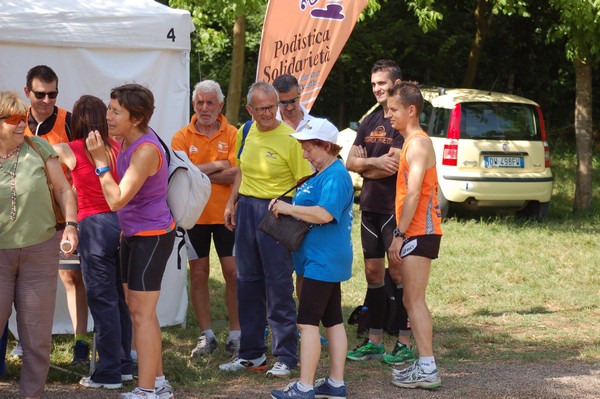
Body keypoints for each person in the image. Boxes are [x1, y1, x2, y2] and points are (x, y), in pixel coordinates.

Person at [86, 84, 175, 399]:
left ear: (136, 118)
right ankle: (159, 382)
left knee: (141, 313)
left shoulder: (146, 150)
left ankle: (147, 389)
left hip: (151, 237)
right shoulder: (128, 141)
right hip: (133, 235)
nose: (107, 116)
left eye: (115, 111)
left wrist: (100, 162)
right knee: (139, 311)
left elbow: (117, 199)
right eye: (110, 109)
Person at [219, 81, 312, 377]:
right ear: (250, 109)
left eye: (274, 106)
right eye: (262, 109)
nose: (270, 113)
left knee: (278, 285)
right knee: (246, 282)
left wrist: (294, 215)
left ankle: (285, 355)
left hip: (278, 211)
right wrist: (232, 202)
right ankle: (251, 354)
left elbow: (306, 183)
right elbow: (241, 170)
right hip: (246, 208)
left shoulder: (291, 138)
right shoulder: (244, 132)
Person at [0, 90, 78, 399]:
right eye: (14, 119)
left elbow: (64, 190)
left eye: (24, 119)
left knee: (36, 337)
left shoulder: (39, 146)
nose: (22, 125)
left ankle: (32, 395)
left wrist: (71, 226)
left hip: (40, 251)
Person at [269, 119, 354, 399]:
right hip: (320, 259)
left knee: (307, 324)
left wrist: (289, 209)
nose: (305, 154)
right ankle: (335, 383)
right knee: (332, 321)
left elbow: (325, 214)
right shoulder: (324, 173)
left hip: (323, 260)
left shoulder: (335, 175)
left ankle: (305, 387)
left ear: (328, 146)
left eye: (309, 148)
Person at [53, 95, 133, 389]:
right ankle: (124, 364)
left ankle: (108, 371)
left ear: (75, 122)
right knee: (120, 299)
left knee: (102, 301)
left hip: (94, 228)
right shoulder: (119, 147)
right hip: (123, 226)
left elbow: (39, 149)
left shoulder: (70, 150)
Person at [345, 60, 415, 365]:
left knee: (399, 273)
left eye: (382, 84)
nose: (377, 89)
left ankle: (403, 340)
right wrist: (372, 165)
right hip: (369, 208)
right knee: (373, 273)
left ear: (396, 84)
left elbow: (396, 165)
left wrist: (365, 165)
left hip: (393, 210)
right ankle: (373, 340)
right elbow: (350, 162)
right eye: (373, 84)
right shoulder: (370, 121)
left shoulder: (402, 124)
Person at [22, 65, 89, 365]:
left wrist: (73, 215)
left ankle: (80, 342)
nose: (46, 100)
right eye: (40, 94)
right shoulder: (14, 121)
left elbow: (83, 166)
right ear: (28, 92)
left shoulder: (70, 121)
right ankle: (28, 343)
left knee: (72, 276)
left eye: (53, 94)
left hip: (64, 216)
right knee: (23, 281)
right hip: (25, 217)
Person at [171, 80, 240, 357]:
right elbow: (181, 176)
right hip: (193, 217)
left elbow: (238, 174)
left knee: (233, 274)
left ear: (220, 105)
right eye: (199, 102)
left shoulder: (233, 133)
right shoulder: (181, 136)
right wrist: (218, 166)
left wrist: (199, 173)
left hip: (228, 214)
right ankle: (206, 335)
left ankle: (236, 333)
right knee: (198, 275)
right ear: (193, 104)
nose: (204, 107)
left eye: (210, 102)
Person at [385, 81, 443, 389]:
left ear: (411, 110)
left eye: (393, 109)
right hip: (416, 230)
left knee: (415, 300)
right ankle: (424, 364)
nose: (388, 114)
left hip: (419, 230)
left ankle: (428, 368)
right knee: (410, 298)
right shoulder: (410, 143)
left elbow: (415, 192)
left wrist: (399, 233)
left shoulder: (419, 143)